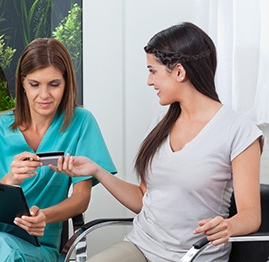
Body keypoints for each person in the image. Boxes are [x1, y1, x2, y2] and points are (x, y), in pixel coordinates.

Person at [51, 22, 263, 262]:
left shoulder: (238, 130)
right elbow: (144, 199)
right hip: (140, 247)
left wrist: (229, 226)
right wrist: (96, 171)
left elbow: (251, 214)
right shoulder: (159, 126)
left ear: (180, 72)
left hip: (194, 256)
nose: (149, 82)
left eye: (153, 71)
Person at [0, 38, 116, 262]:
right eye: (34, 84)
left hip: (39, 247)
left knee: (1, 247)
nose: (44, 95)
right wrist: (11, 179)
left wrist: (44, 218)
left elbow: (81, 198)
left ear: (66, 83)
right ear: (22, 83)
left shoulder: (81, 123)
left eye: (54, 84)